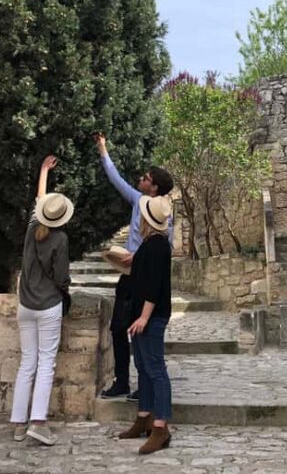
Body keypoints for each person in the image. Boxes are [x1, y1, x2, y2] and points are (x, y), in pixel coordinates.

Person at [95, 134, 174, 400]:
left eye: (145, 178)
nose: (140, 180)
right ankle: (121, 380)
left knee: (143, 333)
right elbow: (116, 179)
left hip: (146, 279)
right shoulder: (136, 200)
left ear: (155, 187)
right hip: (128, 277)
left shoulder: (163, 214)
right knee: (118, 327)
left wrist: (138, 256)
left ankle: (147, 385)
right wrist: (104, 149)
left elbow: (163, 248)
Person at [10, 155, 73, 446]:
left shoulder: (30, 230)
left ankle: (17, 424)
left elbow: (39, 200)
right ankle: (38, 422)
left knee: (27, 363)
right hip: (48, 305)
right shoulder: (60, 240)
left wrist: (43, 171)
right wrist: (65, 289)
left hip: (25, 305)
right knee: (46, 362)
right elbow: (61, 277)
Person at [118, 194, 173, 454]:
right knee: (142, 366)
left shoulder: (158, 247)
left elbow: (154, 285)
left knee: (155, 369)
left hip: (150, 315)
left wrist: (144, 317)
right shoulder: (149, 245)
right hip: (140, 314)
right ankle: (144, 417)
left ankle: (160, 426)